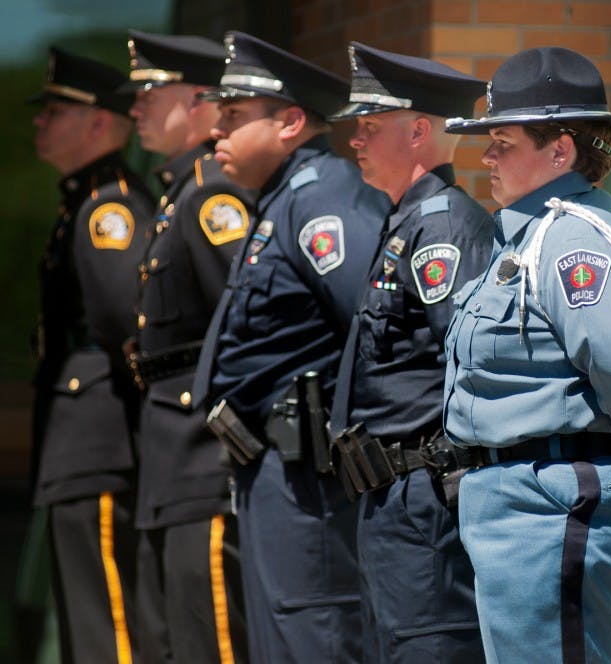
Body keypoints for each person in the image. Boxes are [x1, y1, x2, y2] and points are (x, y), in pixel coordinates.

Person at [442, 47, 611, 664]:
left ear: (560, 150)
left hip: (552, 505)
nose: (486, 156)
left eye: (503, 142)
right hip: (522, 507)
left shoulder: (570, 238)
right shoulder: (530, 233)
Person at [190, 31, 389, 663]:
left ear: (291, 121)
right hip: (274, 472)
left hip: (312, 478)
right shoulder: (282, 201)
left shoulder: (322, 199)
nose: (216, 132)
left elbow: (376, 323)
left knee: (317, 634)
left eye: (233, 117)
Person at [324, 42, 491, 663]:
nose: (355, 141)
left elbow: (469, 361)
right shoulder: (407, 222)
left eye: (370, 127)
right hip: (392, 501)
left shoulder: (443, 225)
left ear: (420, 131)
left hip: (424, 504)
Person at [122, 30, 254, 664]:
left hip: (203, 454)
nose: (136, 108)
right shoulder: (176, 196)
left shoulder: (212, 196)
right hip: (169, 454)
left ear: (202, 103)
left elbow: (249, 323)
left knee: (211, 642)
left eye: (152, 92)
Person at [28, 46, 155, 663]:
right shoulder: (81, 202)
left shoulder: (111, 206)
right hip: (79, 439)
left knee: (108, 626)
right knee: (85, 621)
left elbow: (117, 325)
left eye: (55, 110)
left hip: (100, 436)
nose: (38, 121)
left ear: (101, 123)